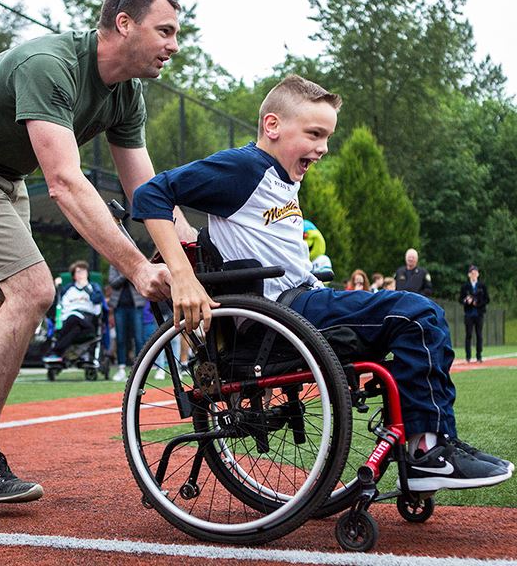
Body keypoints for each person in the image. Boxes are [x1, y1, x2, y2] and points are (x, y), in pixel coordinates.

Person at [133, 74, 513, 493]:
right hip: (280, 317)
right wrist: (183, 275)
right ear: (273, 126)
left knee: (416, 318)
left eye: (327, 137)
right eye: (315, 133)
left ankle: (432, 441)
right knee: (418, 315)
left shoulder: (281, 179)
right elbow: (152, 193)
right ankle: (426, 450)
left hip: (300, 302)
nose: (324, 147)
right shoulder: (243, 167)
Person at [0, 0, 196, 506]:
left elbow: (146, 190)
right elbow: (66, 184)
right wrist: (139, 269)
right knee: (33, 290)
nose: (173, 45)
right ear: (123, 24)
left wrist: (186, 250)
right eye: (164, 31)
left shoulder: (126, 94)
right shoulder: (52, 65)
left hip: (3, 175)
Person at [43, 261, 103, 362]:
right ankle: (56, 353)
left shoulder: (93, 287)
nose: (81, 274)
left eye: (83, 272)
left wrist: (85, 287)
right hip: (70, 322)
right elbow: (57, 303)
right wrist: (56, 286)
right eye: (78, 272)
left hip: (88, 321)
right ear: (74, 276)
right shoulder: (68, 289)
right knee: (75, 328)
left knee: (74, 318)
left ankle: (54, 351)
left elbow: (97, 299)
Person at [108, 264, 145, 382]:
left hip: (136, 306)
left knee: (139, 338)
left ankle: (140, 369)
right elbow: (113, 282)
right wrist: (126, 273)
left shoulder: (136, 262)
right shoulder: (114, 264)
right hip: (119, 307)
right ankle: (121, 368)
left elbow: (141, 281)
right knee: (120, 338)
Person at [459, 265, 489, 363]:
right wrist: (466, 301)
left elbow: (487, 299)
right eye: (472, 273)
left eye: (475, 273)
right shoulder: (465, 286)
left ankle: (479, 356)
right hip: (468, 314)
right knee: (468, 335)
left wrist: (478, 303)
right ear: (469, 275)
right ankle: (468, 357)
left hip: (479, 314)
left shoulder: (482, 286)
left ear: (478, 274)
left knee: (479, 335)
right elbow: (460, 299)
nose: (473, 274)